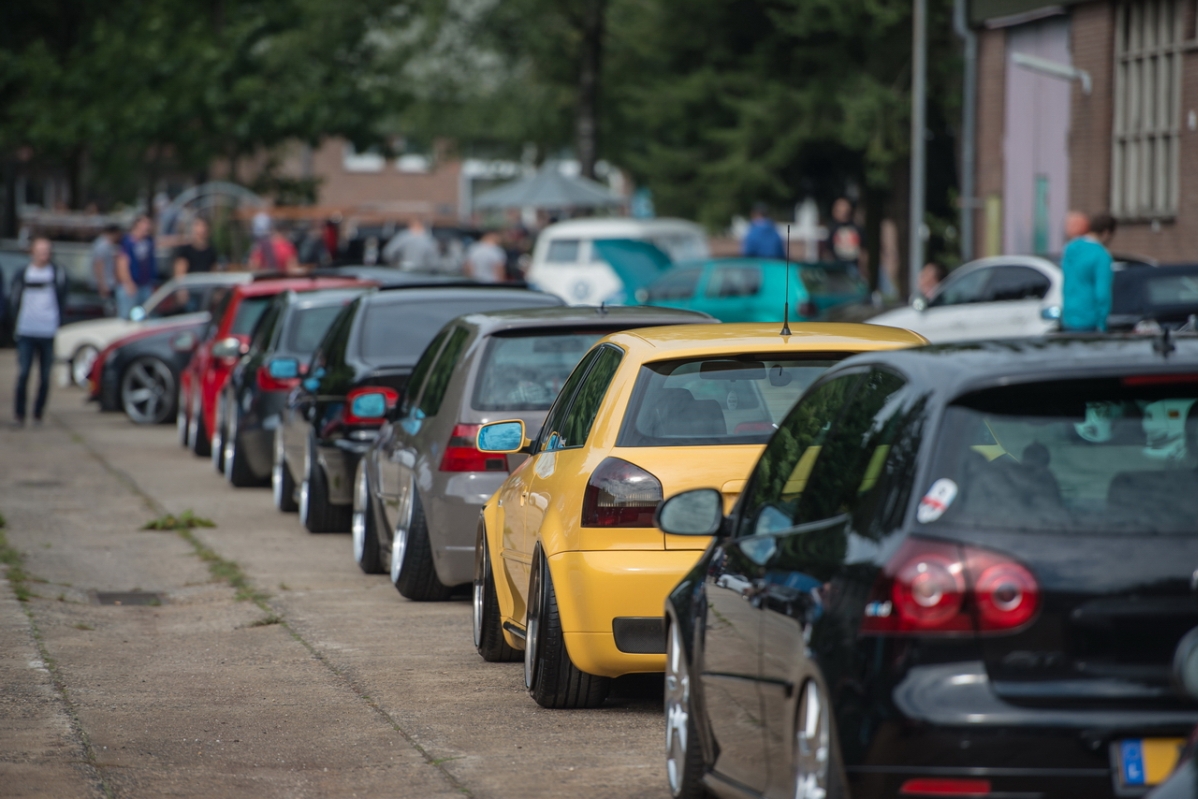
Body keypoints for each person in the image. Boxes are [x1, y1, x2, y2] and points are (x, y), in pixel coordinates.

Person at [10, 238, 67, 426]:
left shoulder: (57, 273)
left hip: (48, 331)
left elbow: (62, 299)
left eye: (47, 250)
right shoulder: (23, 273)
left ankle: (38, 413)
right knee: (24, 373)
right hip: (26, 330)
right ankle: (19, 414)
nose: (44, 254)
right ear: (32, 252)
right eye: (41, 250)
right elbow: (14, 299)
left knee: (45, 376)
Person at [1061, 212, 1116, 332]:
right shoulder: (1102, 255)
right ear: (1106, 233)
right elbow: (1102, 294)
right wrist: (1102, 323)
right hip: (1089, 320)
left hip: (1068, 317)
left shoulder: (1070, 249)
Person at [115, 215, 158, 319]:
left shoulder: (148, 241)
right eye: (145, 223)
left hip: (145, 285)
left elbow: (162, 241)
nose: (148, 226)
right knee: (127, 317)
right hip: (130, 285)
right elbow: (122, 263)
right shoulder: (127, 242)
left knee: (147, 316)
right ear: (137, 224)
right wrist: (128, 282)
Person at [825, 197, 864, 278]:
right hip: (837, 266)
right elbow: (828, 249)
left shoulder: (856, 228)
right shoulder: (833, 228)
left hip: (853, 266)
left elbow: (863, 248)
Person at [91, 223, 121, 314]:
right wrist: (102, 285)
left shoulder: (108, 244)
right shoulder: (101, 245)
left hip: (109, 283)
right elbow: (98, 266)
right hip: (104, 285)